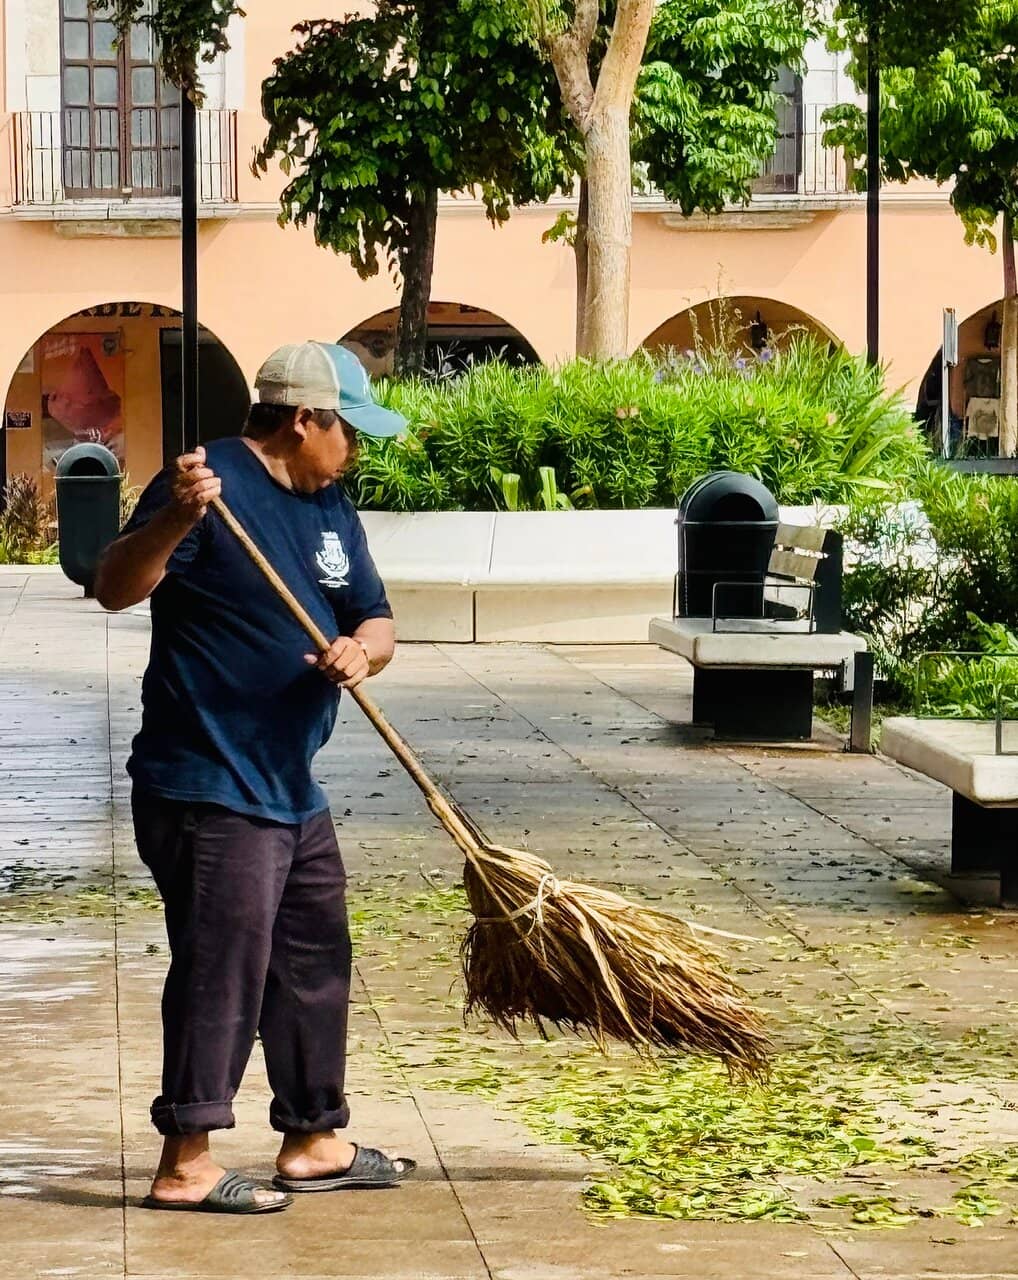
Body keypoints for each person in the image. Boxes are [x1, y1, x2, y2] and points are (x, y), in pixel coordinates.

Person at [96, 341, 416, 1214]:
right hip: (207, 782)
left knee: (315, 957)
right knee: (221, 969)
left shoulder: (330, 503)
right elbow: (115, 587)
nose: (357, 448)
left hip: (289, 784)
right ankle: (186, 1160)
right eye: (348, 430)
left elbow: (376, 616)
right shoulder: (204, 487)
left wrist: (364, 652)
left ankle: (315, 1137)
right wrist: (174, 520)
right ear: (304, 419)